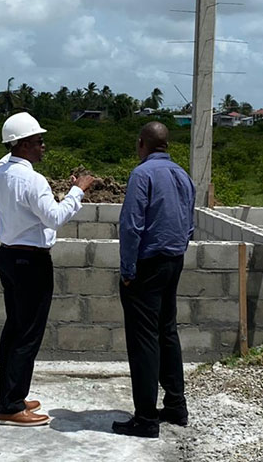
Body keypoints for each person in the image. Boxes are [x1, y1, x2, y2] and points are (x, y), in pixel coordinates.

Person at [0, 111, 95, 427]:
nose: (43, 146)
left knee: (15, 330)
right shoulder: (33, 180)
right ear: (25, 145)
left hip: (8, 257)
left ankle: (12, 395)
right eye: (38, 141)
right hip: (31, 262)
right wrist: (78, 191)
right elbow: (55, 218)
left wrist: (11, 148)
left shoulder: (0, 174)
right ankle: (11, 406)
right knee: (27, 334)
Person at [112, 121, 196, 438]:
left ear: (141, 144)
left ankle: (146, 418)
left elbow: (131, 225)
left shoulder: (142, 174)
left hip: (147, 265)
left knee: (144, 340)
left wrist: (128, 271)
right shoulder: (183, 176)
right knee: (167, 332)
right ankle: (175, 406)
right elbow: (190, 223)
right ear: (166, 145)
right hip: (174, 261)